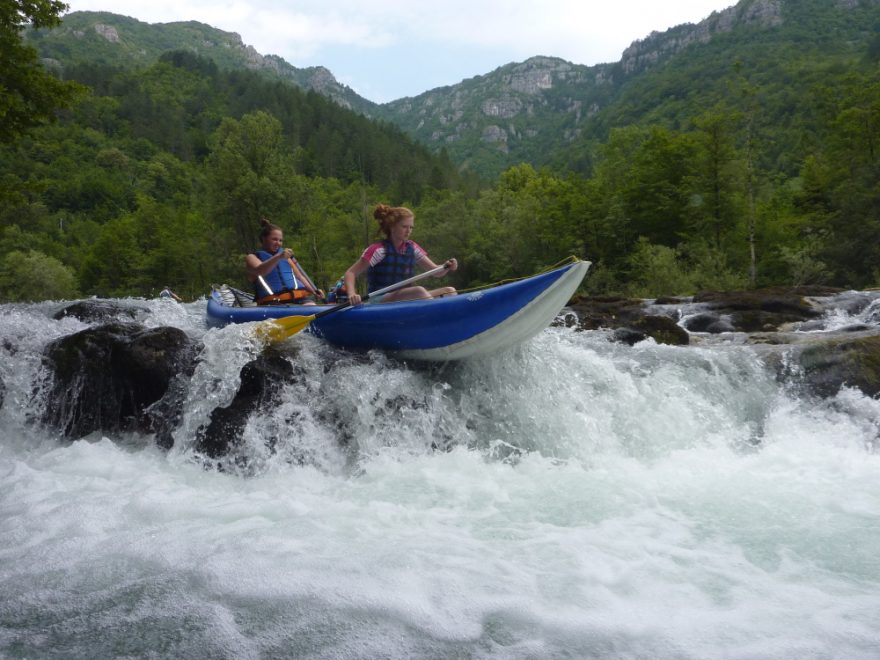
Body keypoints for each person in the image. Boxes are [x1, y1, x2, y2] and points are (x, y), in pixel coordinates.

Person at [344, 204, 457, 306]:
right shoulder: (379, 250)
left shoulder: (412, 247)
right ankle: (435, 318)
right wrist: (352, 294)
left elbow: (436, 272)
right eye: (404, 227)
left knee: (449, 291)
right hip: (379, 300)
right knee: (418, 291)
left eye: (411, 227)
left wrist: (446, 266)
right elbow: (351, 273)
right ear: (392, 227)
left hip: (407, 297)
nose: (408, 231)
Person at [245, 219, 324, 305]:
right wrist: (278, 257)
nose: (278, 243)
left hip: (298, 299)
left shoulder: (286, 257)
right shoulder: (252, 257)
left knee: (311, 306)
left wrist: (314, 291)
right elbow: (260, 271)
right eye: (274, 239)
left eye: (280, 240)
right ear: (264, 239)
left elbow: (300, 277)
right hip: (271, 302)